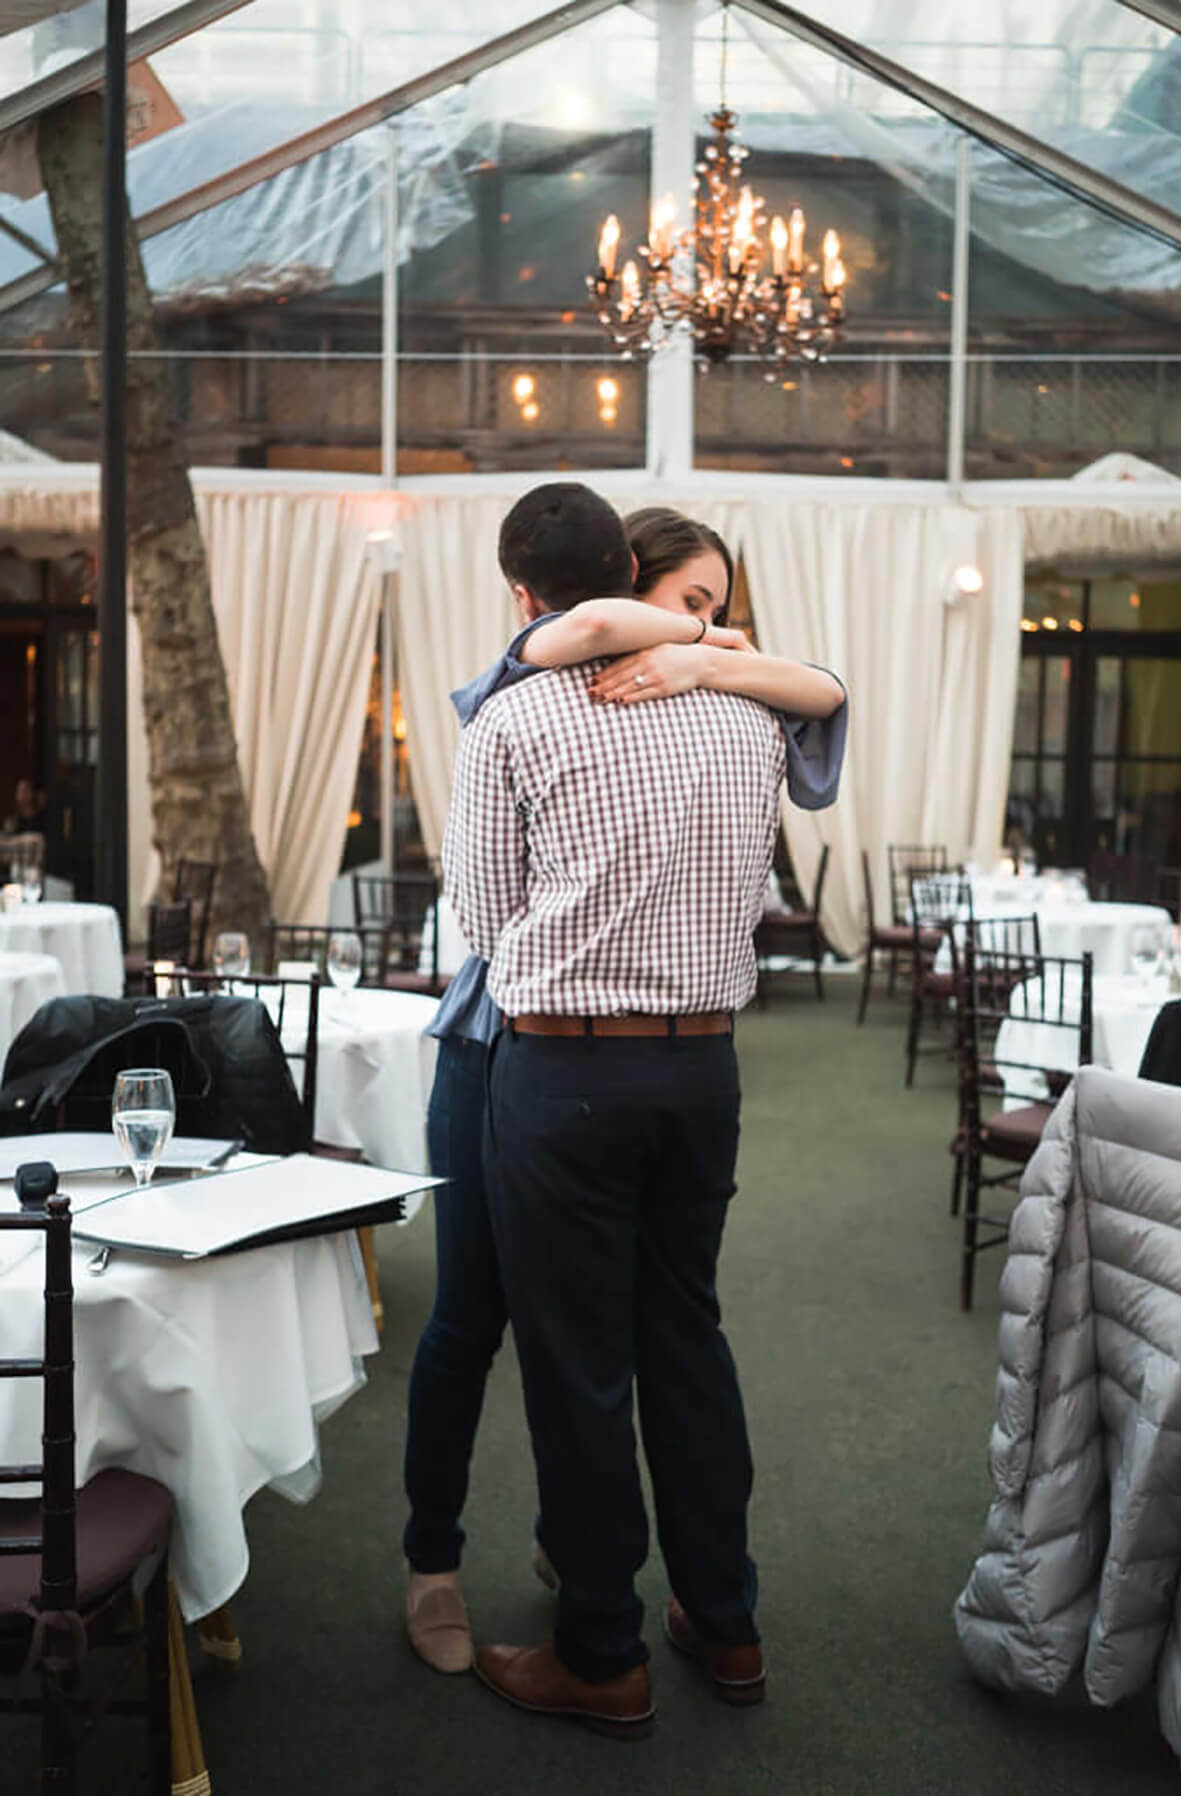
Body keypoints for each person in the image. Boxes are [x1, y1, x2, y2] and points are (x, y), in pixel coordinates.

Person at [403, 486, 846, 1680]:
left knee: (578, 1361)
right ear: (627, 577)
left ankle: (600, 1651)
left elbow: (485, 921)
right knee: (687, 1336)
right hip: (704, 1066)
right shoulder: (752, 716)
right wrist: (718, 658)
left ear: (524, 592)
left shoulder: (515, 717)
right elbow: (823, 702)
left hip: (563, 1066)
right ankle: (724, 1621)